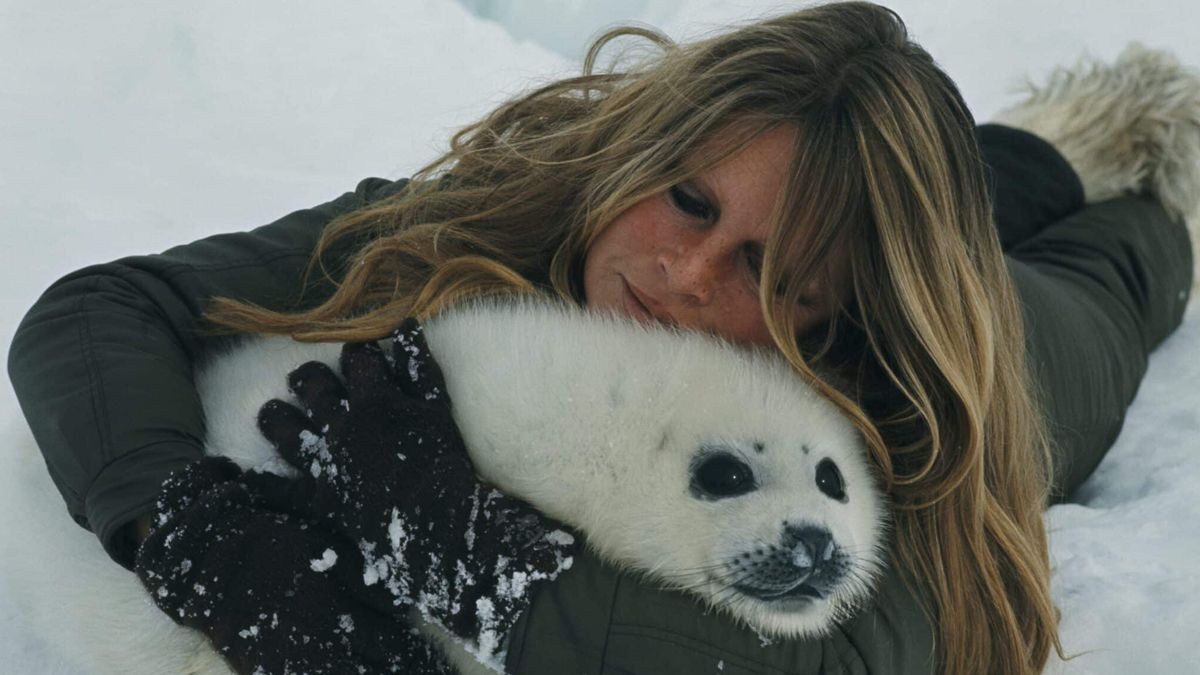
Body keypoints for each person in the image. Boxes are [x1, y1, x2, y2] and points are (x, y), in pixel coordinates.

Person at [7, 2, 1197, 674]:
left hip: (1033, 342)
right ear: (640, 156)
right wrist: (189, 527)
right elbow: (101, 312)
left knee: (1114, 260)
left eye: (769, 277)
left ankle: (1149, 159)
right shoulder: (494, 219)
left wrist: (482, 565)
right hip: (873, 232)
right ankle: (1036, 149)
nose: (682, 276)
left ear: (840, 319)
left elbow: (825, 669)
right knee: (913, 182)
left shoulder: (923, 396)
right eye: (686, 200)